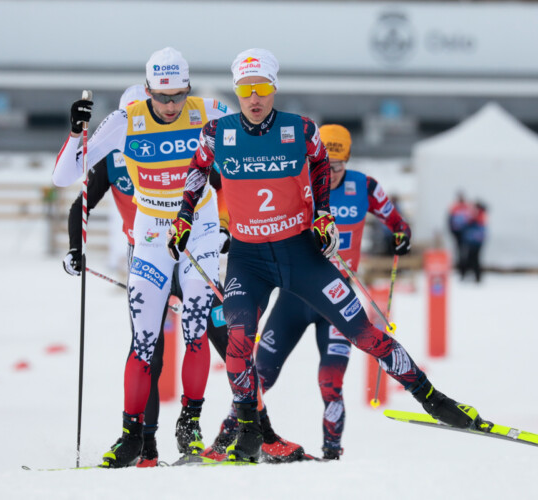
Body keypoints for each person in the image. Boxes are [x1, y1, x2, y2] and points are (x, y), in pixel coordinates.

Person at [167, 48, 490, 463]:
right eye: (246, 89)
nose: (254, 98)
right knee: (238, 341)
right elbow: (196, 169)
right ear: (237, 90)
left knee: (365, 334)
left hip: (300, 253)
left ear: (274, 88)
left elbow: (320, 163)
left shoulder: (299, 129)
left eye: (262, 88)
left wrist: (322, 213)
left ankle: (433, 399)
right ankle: (247, 429)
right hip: (249, 260)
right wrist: (183, 217)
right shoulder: (217, 133)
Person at [53, 47, 233, 468]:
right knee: (144, 342)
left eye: (178, 96)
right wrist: (77, 132)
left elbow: (243, 163)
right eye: (161, 97)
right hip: (151, 237)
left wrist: (232, 224)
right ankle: (133, 436)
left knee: (195, 330)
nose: (170, 107)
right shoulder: (125, 121)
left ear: (188, 89)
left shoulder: (209, 111)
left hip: (199, 233)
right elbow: (64, 177)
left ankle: (190, 424)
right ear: (147, 90)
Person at [256, 124, 412, 460]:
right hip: (294, 298)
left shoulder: (363, 186)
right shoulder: (295, 183)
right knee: (258, 377)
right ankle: (237, 438)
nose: (329, 172)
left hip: (338, 301)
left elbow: (394, 219)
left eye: (337, 166)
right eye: (322, 163)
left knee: (330, 382)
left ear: (348, 161)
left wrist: (401, 232)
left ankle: (331, 453)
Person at [460, 201, 487, 283]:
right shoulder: (477, 215)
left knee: (474, 259)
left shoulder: (480, 216)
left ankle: (476, 276)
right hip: (473, 240)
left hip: (476, 241)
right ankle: (470, 275)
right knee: (470, 258)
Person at [447, 192, 472, 274]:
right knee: (460, 252)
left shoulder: (467, 207)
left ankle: (467, 269)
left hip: (467, 234)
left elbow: (472, 220)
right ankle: (462, 270)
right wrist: (453, 232)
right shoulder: (455, 207)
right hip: (458, 233)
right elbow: (450, 220)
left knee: (467, 252)